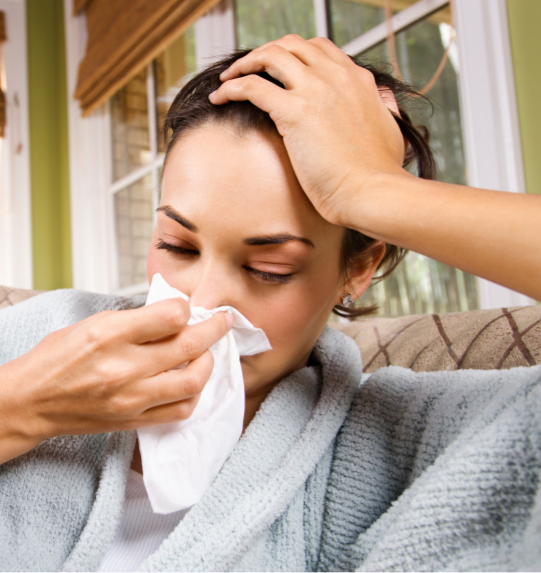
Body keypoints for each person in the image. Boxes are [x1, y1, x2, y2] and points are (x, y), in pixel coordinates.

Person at [0, 36, 539, 571]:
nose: (203, 301)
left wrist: (371, 189)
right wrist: (23, 404)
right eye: (176, 244)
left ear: (358, 267)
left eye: (268, 269)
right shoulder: (39, 337)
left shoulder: (397, 440)